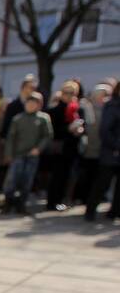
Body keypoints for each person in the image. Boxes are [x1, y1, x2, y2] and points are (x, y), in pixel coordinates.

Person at [3, 92, 52, 214]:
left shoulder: (43, 118)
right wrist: (9, 154)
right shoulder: (18, 118)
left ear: (38, 105)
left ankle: (21, 205)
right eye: (28, 103)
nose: (30, 105)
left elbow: (47, 136)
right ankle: (8, 204)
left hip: (32, 155)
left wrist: (39, 149)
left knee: (27, 180)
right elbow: (11, 138)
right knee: (11, 180)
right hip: (18, 155)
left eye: (33, 103)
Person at [45, 80, 84, 211]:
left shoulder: (77, 110)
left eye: (73, 93)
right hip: (59, 149)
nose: (70, 96)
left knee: (67, 176)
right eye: (67, 93)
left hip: (71, 149)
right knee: (56, 176)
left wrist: (79, 130)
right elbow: (52, 132)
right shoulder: (55, 110)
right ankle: (52, 202)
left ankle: (61, 201)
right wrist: (68, 129)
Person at [86, 82, 120, 222]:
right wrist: (116, 146)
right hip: (111, 152)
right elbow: (105, 130)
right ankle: (90, 211)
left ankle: (115, 212)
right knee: (102, 184)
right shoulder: (112, 106)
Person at [74, 83, 110, 206]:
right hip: (89, 148)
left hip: (104, 148)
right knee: (88, 174)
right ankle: (84, 197)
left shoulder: (108, 108)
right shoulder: (86, 108)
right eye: (102, 95)